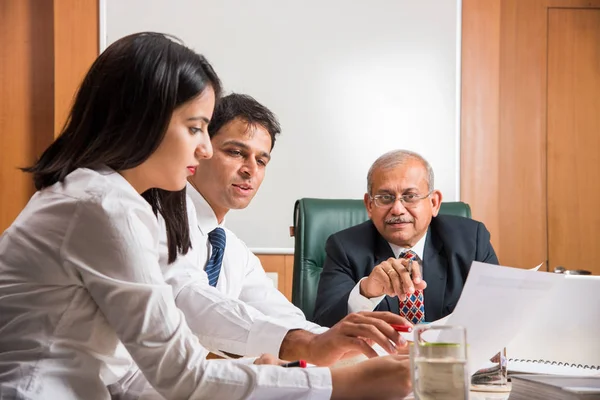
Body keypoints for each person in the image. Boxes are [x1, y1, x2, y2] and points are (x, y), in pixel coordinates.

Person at [0, 32, 412, 400]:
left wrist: (311, 359)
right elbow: (182, 356)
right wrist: (338, 385)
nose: (202, 151)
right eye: (196, 129)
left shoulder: (100, 198)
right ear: (146, 120)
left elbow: (129, 376)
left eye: (262, 159)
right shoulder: (105, 206)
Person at [159, 93, 411, 366]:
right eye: (236, 152)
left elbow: (285, 319)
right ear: (201, 151)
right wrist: (305, 345)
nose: (250, 170)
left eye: (262, 160)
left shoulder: (231, 250)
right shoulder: (156, 218)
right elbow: (189, 302)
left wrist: (361, 348)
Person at [313, 149, 499, 328]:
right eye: (385, 198)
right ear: (370, 205)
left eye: (410, 197)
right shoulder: (344, 247)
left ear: (434, 203)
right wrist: (366, 292)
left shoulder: (471, 240)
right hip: (378, 359)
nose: (397, 209)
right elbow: (323, 325)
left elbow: (497, 313)